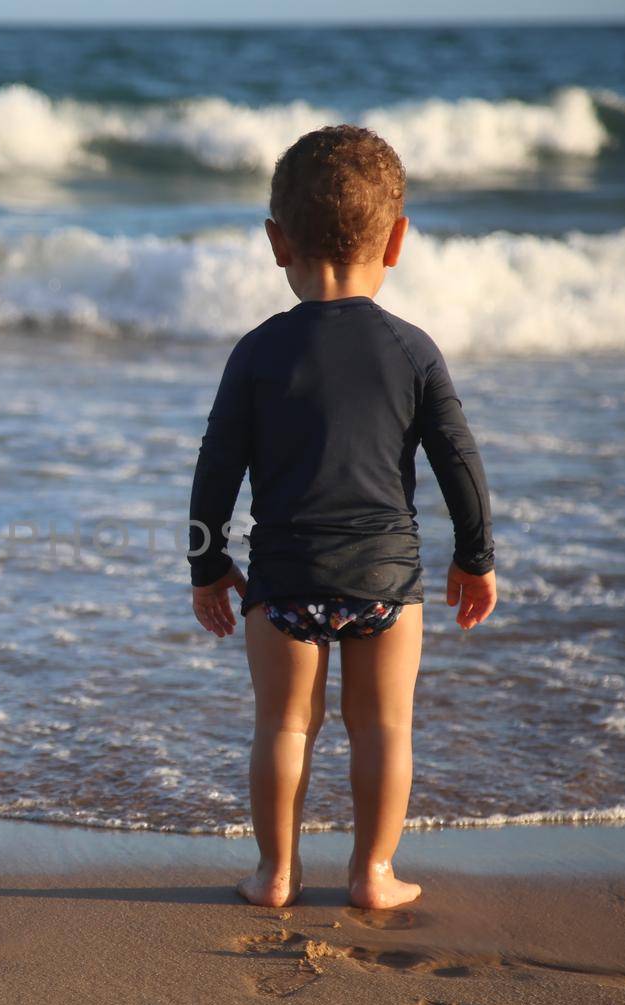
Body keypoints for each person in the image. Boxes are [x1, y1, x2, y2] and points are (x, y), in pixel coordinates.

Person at [186, 125, 498, 911]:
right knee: (384, 727)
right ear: (396, 241)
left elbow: (215, 469)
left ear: (275, 241)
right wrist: (476, 555)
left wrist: (207, 563)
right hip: (386, 578)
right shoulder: (413, 350)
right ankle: (372, 873)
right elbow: (457, 461)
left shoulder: (255, 353)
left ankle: (275, 874)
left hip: (284, 578)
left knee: (285, 728)